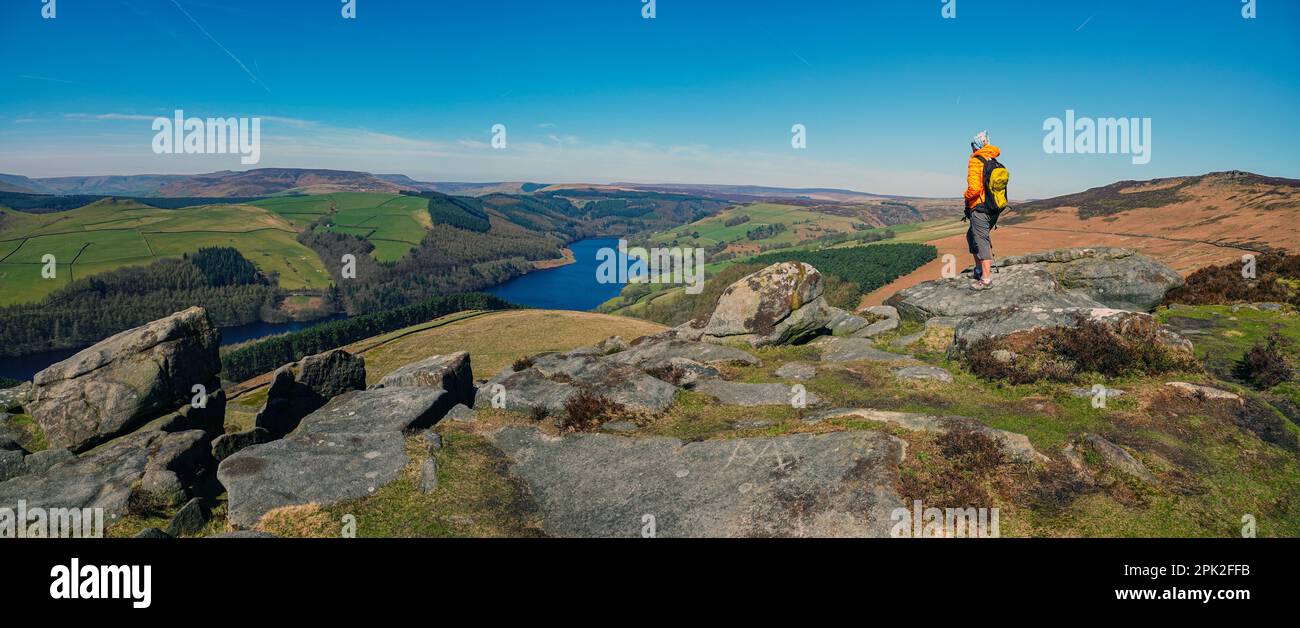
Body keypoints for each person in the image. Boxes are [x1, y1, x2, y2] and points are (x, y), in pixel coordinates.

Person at [964, 130, 999, 290]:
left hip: (980, 207)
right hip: (994, 207)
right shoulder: (992, 158)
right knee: (972, 236)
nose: (971, 148)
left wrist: (965, 195)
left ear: (976, 145)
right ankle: (978, 270)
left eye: (972, 145)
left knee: (981, 240)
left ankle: (985, 279)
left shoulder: (976, 161)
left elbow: (975, 188)